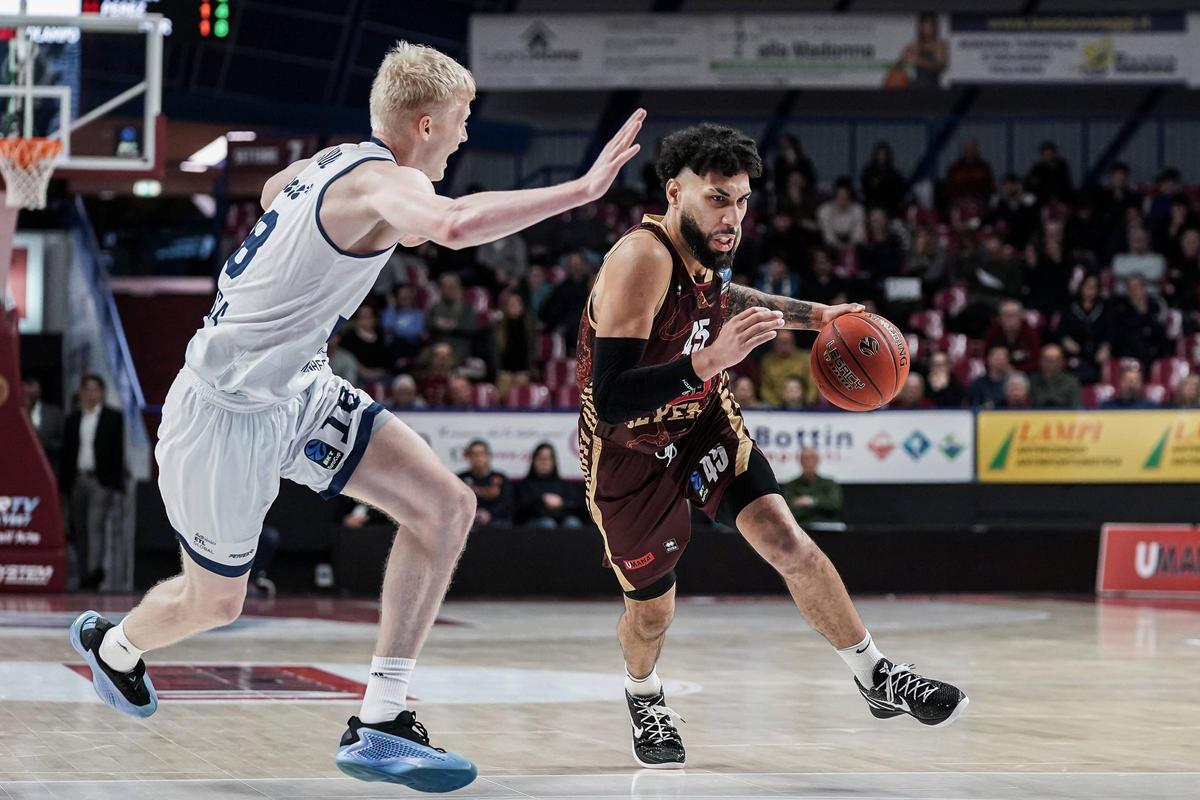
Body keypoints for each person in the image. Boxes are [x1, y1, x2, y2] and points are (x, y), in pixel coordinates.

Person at [67, 41, 645, 793]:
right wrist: (581, 189)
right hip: (221, 414)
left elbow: (282, 188)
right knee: (214, 601)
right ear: (427, 124)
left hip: (298, 389)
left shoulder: (337, 162)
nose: (467, 136)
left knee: (445, 507)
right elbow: (457, 224)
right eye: (463, 122)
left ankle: (380, 720)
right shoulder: (385, 180)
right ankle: (115, 649)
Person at [575, 123, 967, 770]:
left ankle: (876, 676)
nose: (733, 215)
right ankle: (644, 693)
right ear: (676, 193)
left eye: (742, 200)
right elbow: (610, 397)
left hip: (701, 420)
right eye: (718, 198)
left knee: (789, 542)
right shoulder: (642, 259)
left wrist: (820, 317)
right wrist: (709, 362)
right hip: (629, 448)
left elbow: (728, 299)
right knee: (652, 614)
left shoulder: (705, 253)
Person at [60, 374, 125, 591]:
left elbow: (117, 453)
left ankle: (94, 572)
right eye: (87, 389)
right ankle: (83, 571)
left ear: (102, 392)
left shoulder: (113, 418)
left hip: (100, 481)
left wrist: (114, 483)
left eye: (95, 389)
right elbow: (66, 453)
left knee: (95, 525)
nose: (91, 393)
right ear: (81, 392)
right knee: (79, 528)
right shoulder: (72, 419)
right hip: (78, 479)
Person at [1052, 274, 1114, 385]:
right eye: (1087, 287)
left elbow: (1111, 332)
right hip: (1075, 354)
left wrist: (1106, 347)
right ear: (1081, 288)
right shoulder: (1070, 308)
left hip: (1097, 355)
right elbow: (1061, 331)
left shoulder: (1105, 309)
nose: (1090, 291)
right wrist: (1066, 341)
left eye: (1093, 288)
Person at [515, 443, 583, 528]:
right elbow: (520, 513)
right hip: (535, 524)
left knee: (573, 522)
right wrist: (542, 500)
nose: (544, 462)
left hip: (562, 519)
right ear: (534, 461)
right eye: (541, 458)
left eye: (548, 458)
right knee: (547, 523)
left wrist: (561, 503)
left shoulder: (564, 485)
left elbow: (576, 507)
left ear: (554, 461)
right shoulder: (525, 485)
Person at [458, 439, 514, 527]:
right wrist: (472, 514)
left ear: (488, 456)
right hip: (467, 521)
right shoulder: (460, 479)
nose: (478, 458)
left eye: (481, 454)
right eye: (474, 454)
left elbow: (506, 503)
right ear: (468, 456)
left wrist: (489, 514)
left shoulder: (501, 478)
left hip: (496, 521)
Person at [780, 448, 844, 525]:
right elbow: (788, 508)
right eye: (805, 458)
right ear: (800, 461)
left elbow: (835, 505)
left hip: (827, 528)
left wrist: (812, 501)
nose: (808, 461)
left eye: (812, 458)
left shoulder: (830, 484)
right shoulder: (791, 485)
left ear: (817, 460)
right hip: (801, 528)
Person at [758, 330, 816, 406]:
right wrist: (777, 405)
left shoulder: (805, 359)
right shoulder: (767, 360)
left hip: (802, 404)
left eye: (787, 342)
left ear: (793, 342)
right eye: (781, 342)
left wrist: (807, 403)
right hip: (775, 406)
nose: (784, 345)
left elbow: (813, 384)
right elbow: (765, 387)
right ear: (775, 344)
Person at [983, 300, 1041, 373]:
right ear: (1000, 318)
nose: (1010, 320)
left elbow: (1036, 361)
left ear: (1021, 316)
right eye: (1006, 315)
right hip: (997, 372)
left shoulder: (1030, 333)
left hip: (1023, 373)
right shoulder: (993, 331)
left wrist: (1015, 370)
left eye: (1013, 315)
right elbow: (985, 356)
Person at [23, 373, 63, 473]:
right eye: (28, 393)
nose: (31, 395)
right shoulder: (17, 414)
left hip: (49, 468)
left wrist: (44, 445)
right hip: (22, 467)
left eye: (33, 393)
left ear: (39, 392)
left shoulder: (53, 412)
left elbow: (64, 441)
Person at [944, 137, 994, 210]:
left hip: (980, 205)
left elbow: (989, 188)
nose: (969, 151)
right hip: (959, 205)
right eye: (966, 149)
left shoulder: (984, 168)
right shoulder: (954, 168)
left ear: (976, 149)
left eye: (971, 148)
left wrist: (977, 201)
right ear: (963, 150)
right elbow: (949, 190)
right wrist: (961, 201)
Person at [859, 141, 906, 215]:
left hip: (890, 208)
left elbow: (898, 193)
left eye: (884, 155)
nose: (881, 157)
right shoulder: (868, 172)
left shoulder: (894, 174)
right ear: (875, 155)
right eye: (879, 154)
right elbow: (865, 191)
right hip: (871, 206)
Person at [817, 177, 867, 248]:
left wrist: (850, 246)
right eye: (839, 196)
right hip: (831, 246)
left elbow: (858, 233)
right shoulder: (824, 210)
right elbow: (828, 234)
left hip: (853, 246)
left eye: (845, 197)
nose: (842, 200)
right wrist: (838, 246)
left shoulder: (858, 209)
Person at [1029, 343, 1082, 408]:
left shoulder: (1071, 382)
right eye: (1048, 359)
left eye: (1055, 360)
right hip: (1036, 416)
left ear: (1061, 361)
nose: (1051, 363)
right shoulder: (1032, 381)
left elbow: (1076, 407)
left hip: (1064, 417)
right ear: (1040, 361)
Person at [1024, 141, 1073, 206]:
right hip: (1042, 198)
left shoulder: (1061, 166)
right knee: (1027, 199)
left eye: (1050, 154)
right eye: (1046, 155)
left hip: (1060, 197)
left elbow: (1066, 183)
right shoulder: (1037, 168)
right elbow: (1030, 183)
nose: (1048, 157)